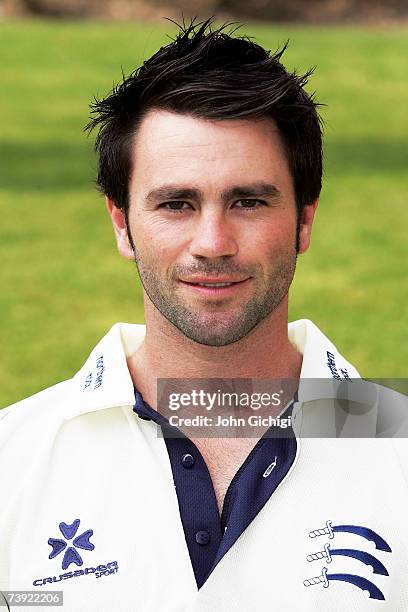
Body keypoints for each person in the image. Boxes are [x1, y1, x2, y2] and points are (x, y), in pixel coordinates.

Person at [0, 18, 407, 612]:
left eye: (248, 201)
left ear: (304, 220)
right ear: (122, 223)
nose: (212, 242)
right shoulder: (13, 462)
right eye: (176, 203)